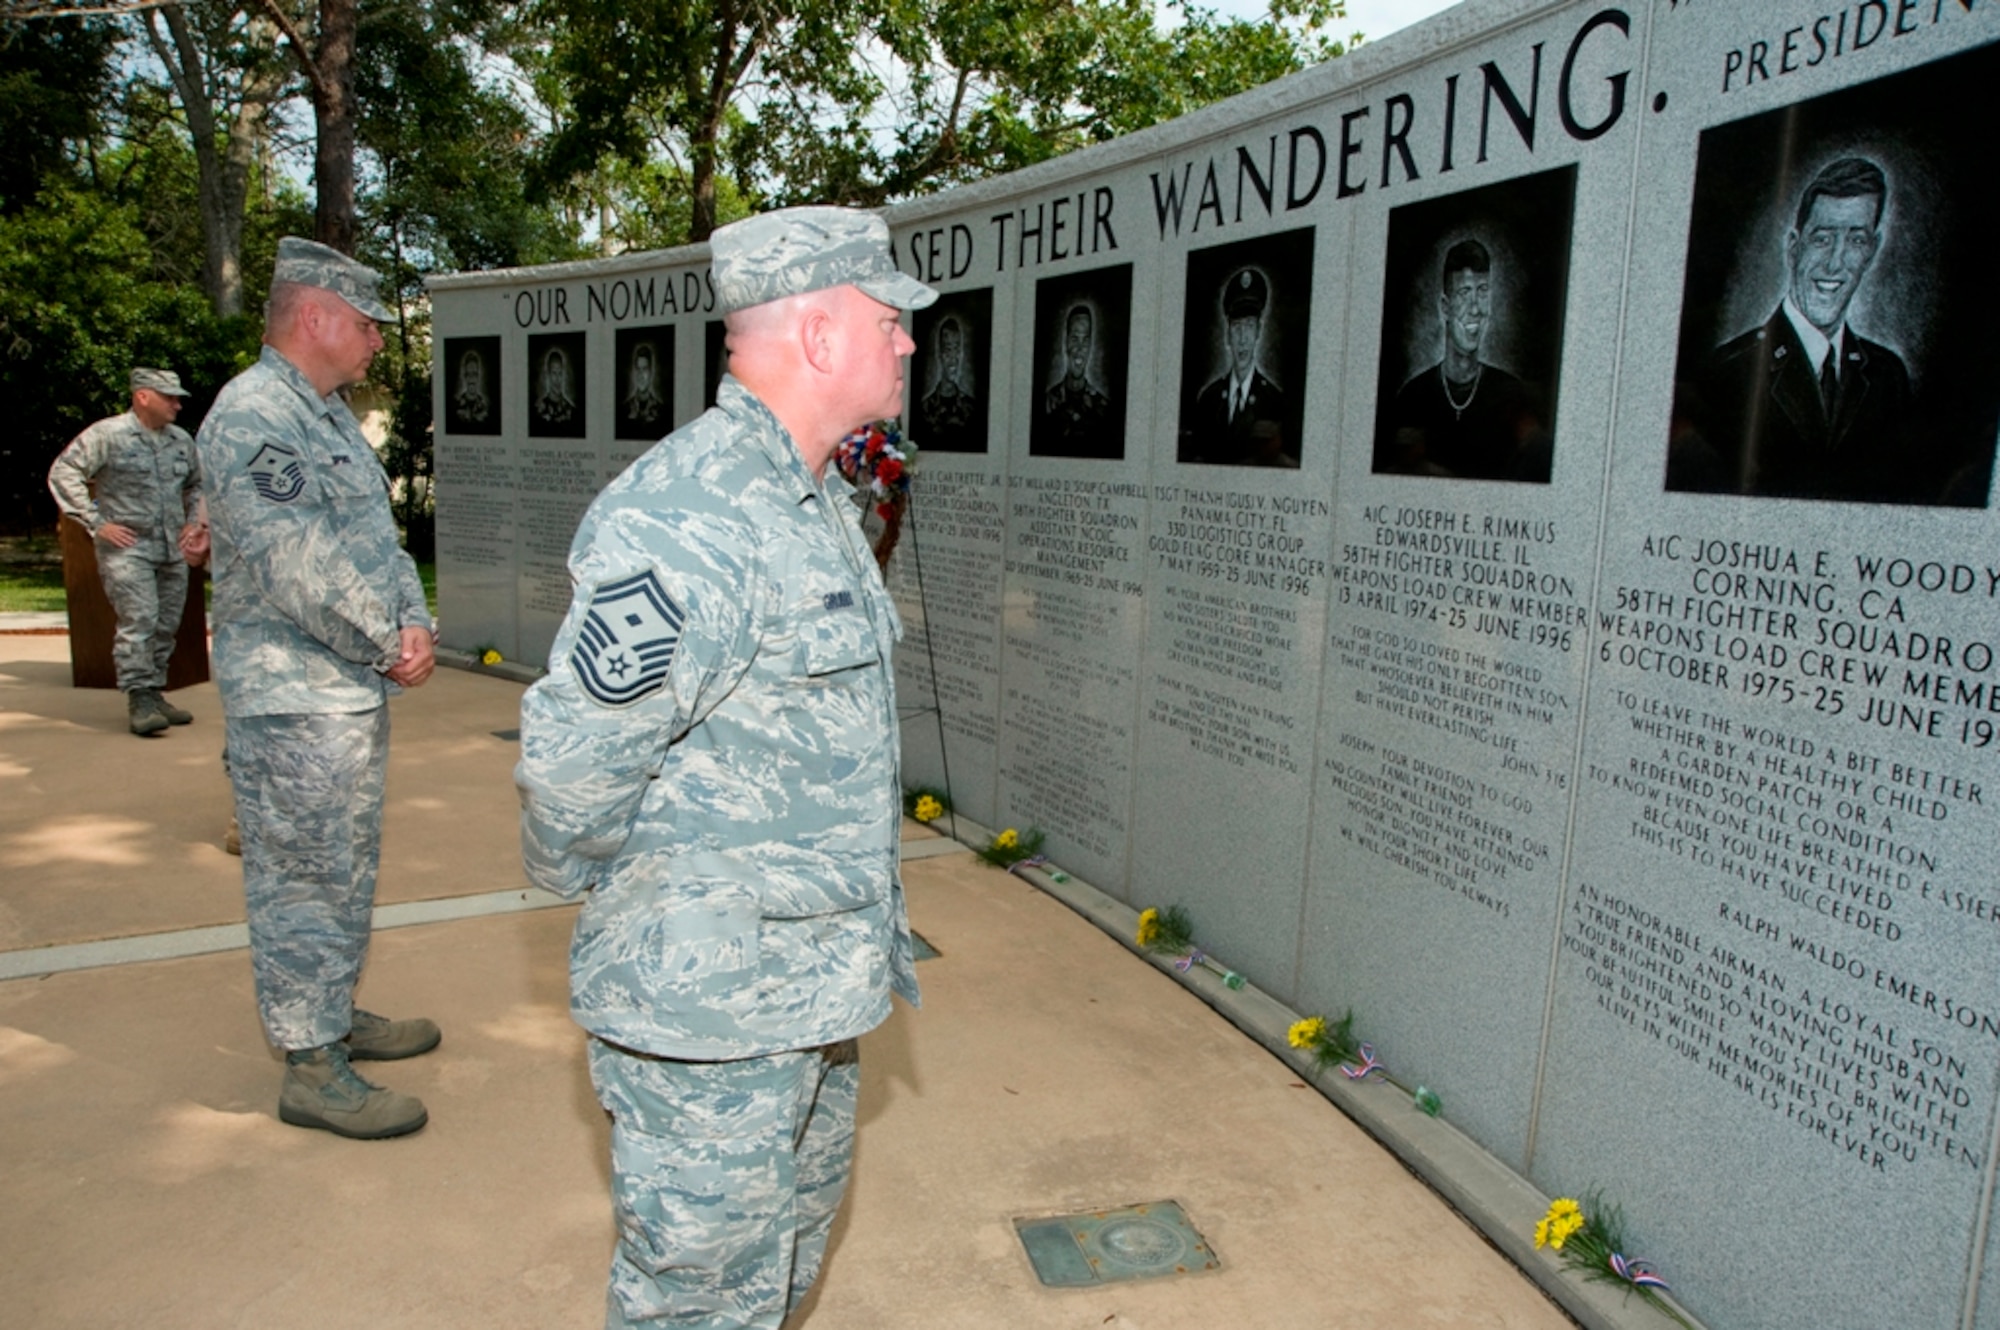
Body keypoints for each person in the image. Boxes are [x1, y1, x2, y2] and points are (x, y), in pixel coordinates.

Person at [516, 205, 930, 1329]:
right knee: (698, 1300)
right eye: (888, 318)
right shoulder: (692, 514)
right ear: (819, 332)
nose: (904, 340)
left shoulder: (812, 496)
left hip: (804, 990)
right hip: (706, 1014)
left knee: (776, 1269)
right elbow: (572, 762)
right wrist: (641, 901)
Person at [197, 236, 441, 1141]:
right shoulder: (256, 414)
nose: (377, 340)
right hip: (293, 696)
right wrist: (387, 640)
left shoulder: (327, 413)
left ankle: (330, 1015)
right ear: (314, 316)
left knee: (344, 868)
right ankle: (308, 1063)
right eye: (365, 323)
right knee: (302, 878)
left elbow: (377, 542)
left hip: (341, 689)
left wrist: (415, 622)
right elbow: (298, 562)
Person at [1671, 156, 1921, 501]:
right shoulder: (1730, 370)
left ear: (1872, 251)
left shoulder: (1888, 376)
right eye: (1822, 238)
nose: (1835, 262)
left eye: (1856, 241)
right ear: (1794, 247)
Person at [47, 368, 207, 735]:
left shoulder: (180, 440)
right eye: (169, 397)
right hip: (128, 548)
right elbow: (64, 472)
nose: (177, 405)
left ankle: (154, 691)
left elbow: (197, 484)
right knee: (140, 620)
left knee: (166, 624)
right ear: (143, 396)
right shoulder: (108, 435)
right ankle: (138, 697)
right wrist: (95, 521)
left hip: (173, 547)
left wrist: (192, 521)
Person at [1380, 238, 1548, 481]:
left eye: (1482, 292)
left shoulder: (1508, 393)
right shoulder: (1413, 396)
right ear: (1445, 307)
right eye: (1464, 293)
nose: (1475, 308)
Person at [1184, 268, 1296, 467]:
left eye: (1249, 327)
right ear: (1228, 334)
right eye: (1237, 328)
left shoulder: (1274, 400)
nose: (1243, 339)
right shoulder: (1208, 400)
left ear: (1258, 332)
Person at [1043, 303, 1111, 446]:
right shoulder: (1048, 403)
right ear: (1066, 342)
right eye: (1074, 339)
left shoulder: (1102, 408)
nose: (1080, 348)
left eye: (1085, 340)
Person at [919, 315, 977, 433]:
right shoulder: (925, 408)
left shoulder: (970, 407)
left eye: (957, 350)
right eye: (948, 350)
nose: (953, 359)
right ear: (939, 354)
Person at [624, 341, 666, 425]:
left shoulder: (662, 410)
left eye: (645, 369)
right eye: (638, 369)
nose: (641, 375)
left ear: (651, 372)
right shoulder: (624, 409)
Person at [536, 345, 578, 425]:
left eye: (560, 373)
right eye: (554, 373)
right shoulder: (539, 411)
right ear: (548, 375)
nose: (557, 379)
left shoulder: (571, 411)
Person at [453, 347, 492, 425]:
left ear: (478, 376)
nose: (471, 379)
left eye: (474, 374)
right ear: (464, 376)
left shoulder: (484, 406)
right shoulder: (456, 405)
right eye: (468, 374)